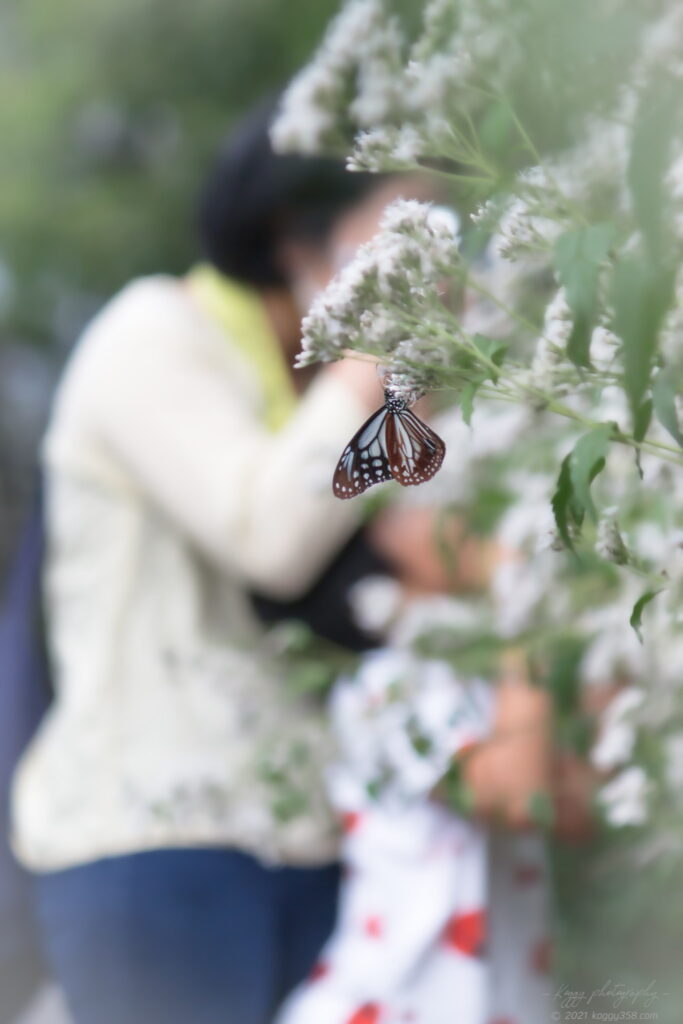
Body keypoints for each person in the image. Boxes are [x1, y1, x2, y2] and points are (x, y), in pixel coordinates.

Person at [8, 99, 415, 1024]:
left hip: (313, 845)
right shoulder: (153, 336)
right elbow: (268, 536)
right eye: (398, 226)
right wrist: (370, 361)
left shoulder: (324, 386)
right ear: (290, 232)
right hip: (159, 849)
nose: (429, 262)